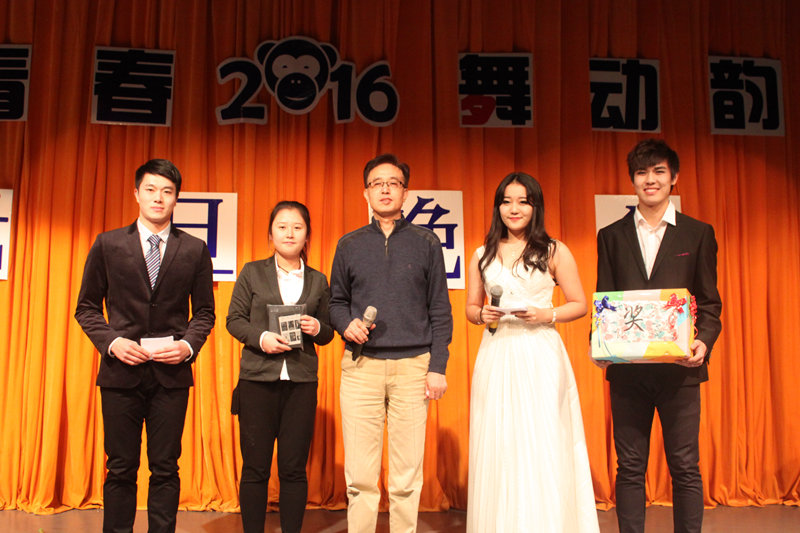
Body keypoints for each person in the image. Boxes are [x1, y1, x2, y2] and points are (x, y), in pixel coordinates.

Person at [74, 159, 215, 533]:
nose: (158, 198)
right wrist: (112, 342)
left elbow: (204, 312)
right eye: (150, 190)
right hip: (120, 374)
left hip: (171, 376)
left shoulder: (194, 249)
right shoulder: (108, 244)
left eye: (167, 191)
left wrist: (187, 347)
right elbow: (86, 307)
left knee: (166, 468)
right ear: (136, 193)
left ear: (176, 198)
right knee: (120, 467)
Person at [595, 139, 722, 533]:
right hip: (628, 372)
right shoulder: (611, 236)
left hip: (680, 371)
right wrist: (599, 343)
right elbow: (605, 300)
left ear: (674, 177)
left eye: (659, 171)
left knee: (684, 465)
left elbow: (710, 303)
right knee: (630, 467)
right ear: (632, 180)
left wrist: (703, 342)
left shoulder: (698, 234)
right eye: (642, 172)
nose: (650, 180)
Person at [465, 172, 599, 532]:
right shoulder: (481, 253)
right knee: (499, 440)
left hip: (540, 351)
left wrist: (546, 315)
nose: (514, 209)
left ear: (535, 207)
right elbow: (471, 309)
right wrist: (482, 315)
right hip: (497, 351)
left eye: (523, 201)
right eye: (507, 201)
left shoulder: (554, 250)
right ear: (497, 207)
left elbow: (579, 303)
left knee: (542, 438)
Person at [329, 153, 453, 533]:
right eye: (377, 183)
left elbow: (440, 310)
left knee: (405, 477)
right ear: (365, 192)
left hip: (413, 367)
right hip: (361, 367)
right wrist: (346, 325)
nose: (385, 189)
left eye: (393, 183)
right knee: (360, 477)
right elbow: (335, 303)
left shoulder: (426, 242)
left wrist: (437, 367)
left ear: (405, 192)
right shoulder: (349, 244)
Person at [226, 200, 334, 533]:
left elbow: (329, 332)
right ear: (270, 234)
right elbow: (234, 320)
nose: (289, 233)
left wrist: (317, 327)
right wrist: (261, 339)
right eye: (282, 227)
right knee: (255, 468)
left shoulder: (318, 280)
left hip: (301, 383)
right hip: (257, 380)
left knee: (293, 468)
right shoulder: (252, 272)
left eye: (297, 227)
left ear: (307, 235)